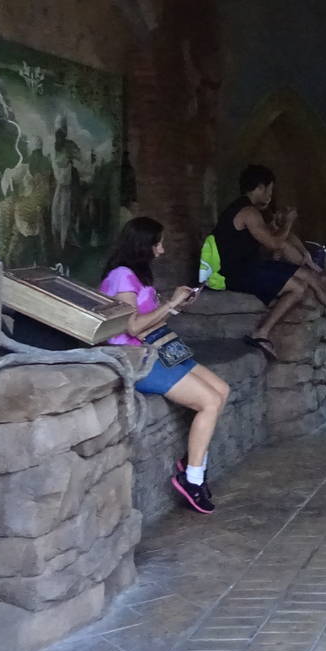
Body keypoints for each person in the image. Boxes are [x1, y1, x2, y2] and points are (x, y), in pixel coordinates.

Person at [100, 217, 230, 515]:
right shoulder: (122, 276)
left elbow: (149, 319)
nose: (161, 250)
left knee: (222, 390)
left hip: (157, 348)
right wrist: (170, 305)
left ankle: (192, 461)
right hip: (136, 358)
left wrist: (176, 305)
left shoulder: (137, 274)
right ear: (142, 245)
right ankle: (193, 479)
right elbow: (133, 327)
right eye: (157, 243)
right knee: (209, 402)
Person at [213, 165, 326, 358]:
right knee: (301, 286)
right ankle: (262, 333)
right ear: (260, 188)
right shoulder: (248, 212)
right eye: (270, 190)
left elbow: (282, 237)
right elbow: (274, 243)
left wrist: (302, 251)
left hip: (248, 267)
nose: (270, 196)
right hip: (235, 273)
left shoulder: (251, 211)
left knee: (305, 281)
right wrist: (288, 222)